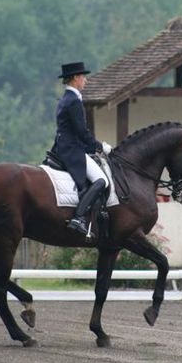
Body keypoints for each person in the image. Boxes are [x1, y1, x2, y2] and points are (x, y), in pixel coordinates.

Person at [51, 62, 110, 236]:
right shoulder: (73, 101)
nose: (85, 80)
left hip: (63, 147)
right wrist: (100, 147)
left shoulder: (66, 99)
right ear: (76, 78)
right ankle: (79, 217)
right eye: (83, 77)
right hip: (72, 150)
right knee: (102, 181)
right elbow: (82, 132)